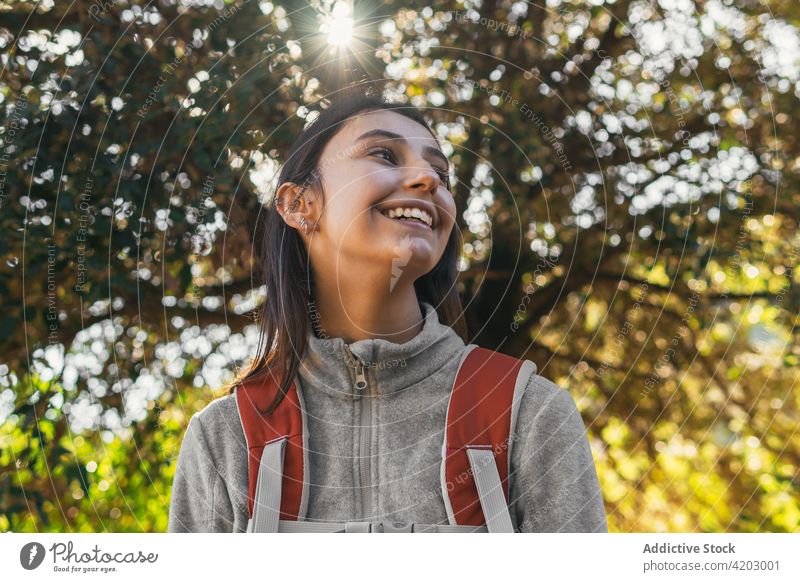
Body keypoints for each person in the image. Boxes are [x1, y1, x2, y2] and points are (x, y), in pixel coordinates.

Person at [167, 87, 608, 533]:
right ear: (301, 205)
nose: (428, 180)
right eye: (384, 154)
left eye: (440, 171)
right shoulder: (226, 437)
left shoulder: (529, 413)